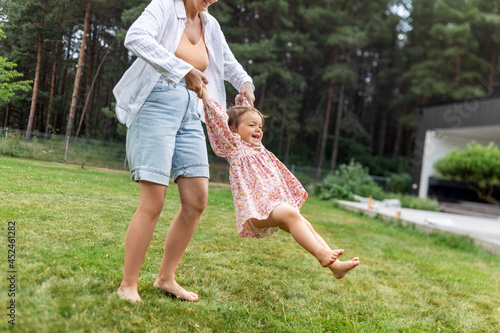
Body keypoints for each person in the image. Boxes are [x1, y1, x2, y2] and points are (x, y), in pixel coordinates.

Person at [113, 0, 255, 302]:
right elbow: (136, 37)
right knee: (154, 199)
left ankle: (166, 278)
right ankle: (128, 284)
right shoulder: (165, 6)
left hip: (193, 109)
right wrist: (182, 68)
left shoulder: (210, 24)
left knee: (197, 199)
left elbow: (227, 62)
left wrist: (245, 83)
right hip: (155, 103)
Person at [200, 85, 360, 278]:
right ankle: (322, 255)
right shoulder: (234, 146)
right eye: (252, 126)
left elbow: (244, 114)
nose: (258, 129)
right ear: (232, 130)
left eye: (260, 126)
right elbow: (219, 118)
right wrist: (205, 93)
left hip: (272, 206)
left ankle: (337, 267)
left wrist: (245, 98)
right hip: (256, 211)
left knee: (304, 223)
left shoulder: (257, 148)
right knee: (293, 214)